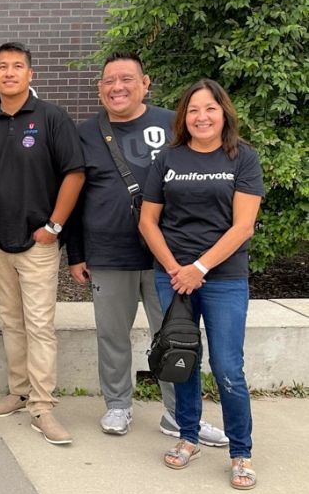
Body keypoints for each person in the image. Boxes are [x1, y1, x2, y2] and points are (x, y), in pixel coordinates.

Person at [66, 51, 228, 445]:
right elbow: (72, 193)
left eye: (126, 79)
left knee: (175, 336)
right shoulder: (85, 132)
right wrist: (76, 253)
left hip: (169, 257)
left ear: (145, 82)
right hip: (108, 253)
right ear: (100, 89)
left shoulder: (172, 124)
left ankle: (179, 415)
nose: (117, 87)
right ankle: (118, 404)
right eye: (109, 81)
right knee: (112, 335)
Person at [139, 79, 263, 490]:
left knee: (228, 367)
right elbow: (147, 221)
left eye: (209, 108)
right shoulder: (167, 158)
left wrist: (200, 268)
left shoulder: (242, 158)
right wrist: (176, 267)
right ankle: (188, 437)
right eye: (193, 110)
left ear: (223, 112)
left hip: (222, 278)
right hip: (173, 276)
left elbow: (243, 226)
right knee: (182, 361)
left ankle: (240, 451)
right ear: (183, 117)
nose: (201, 117)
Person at [0, 42, 84, 445]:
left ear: (30, 75)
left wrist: (54, 226)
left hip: (38, 240)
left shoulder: (52, 117)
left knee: (39, 325)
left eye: (18, 66)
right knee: (12, 322)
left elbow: (75, 173)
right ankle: (19, 393)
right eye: (2, 67)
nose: (9, 73)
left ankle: (43, 407)